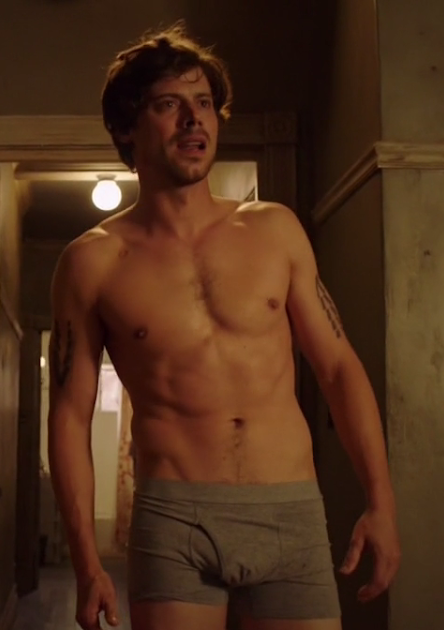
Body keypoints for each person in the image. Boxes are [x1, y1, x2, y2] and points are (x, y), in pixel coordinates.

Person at [45, 22, 400, 630]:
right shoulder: (93, 261)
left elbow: (339, 367)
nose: (194, 120)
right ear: (127, 128)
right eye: (169, 105)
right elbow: (70, 417)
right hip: (175, 520)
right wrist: (85, 562)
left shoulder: (274, 229)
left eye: (204, 103)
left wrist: (381, 501)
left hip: (290, 512)